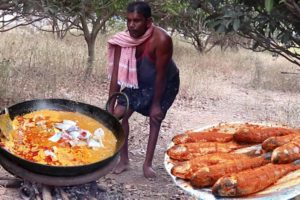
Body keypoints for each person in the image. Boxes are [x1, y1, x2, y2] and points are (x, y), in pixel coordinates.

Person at [107, 1, 180, 178]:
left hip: (165, 82)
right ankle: (124, 160)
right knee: (117, 114)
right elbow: (116, 75)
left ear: (148, 21)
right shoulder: (122, 41)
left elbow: (161, 75)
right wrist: (111, 103)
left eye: (137, 21)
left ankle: (147, 165)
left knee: (155, 118)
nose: (131, 25)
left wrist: (156, 105)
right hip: (137, 81)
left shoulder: (161, 40)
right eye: (129, 20)